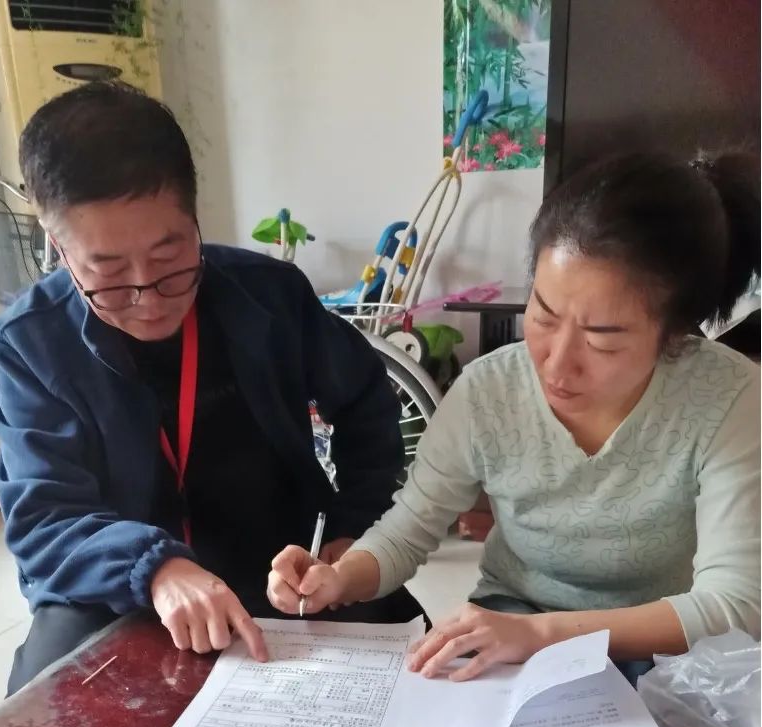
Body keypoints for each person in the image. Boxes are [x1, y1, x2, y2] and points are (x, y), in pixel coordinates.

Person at [0, 82, 421, 695]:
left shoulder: (268, 297)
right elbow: (44, 520)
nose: (147, 297)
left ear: (195, 219)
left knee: (418, 674)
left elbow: (366, 404)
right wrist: (156, 568)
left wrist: (352, 529)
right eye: (107, 272)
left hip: (282, 565)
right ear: (57, 245)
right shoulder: (32, 342)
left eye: (169, 259)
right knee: (44, 705)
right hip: (120, 587)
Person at [268, 151, 761, 682]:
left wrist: (545, 636)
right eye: (543, 314)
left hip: (660, 642)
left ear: (676, 334)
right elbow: (407, 531)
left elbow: (736, 605)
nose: (556, 363)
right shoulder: (489, 391)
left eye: (602, 340)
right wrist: (341, 577)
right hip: (509, 620)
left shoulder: (728, 400)